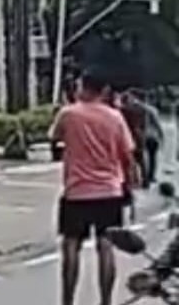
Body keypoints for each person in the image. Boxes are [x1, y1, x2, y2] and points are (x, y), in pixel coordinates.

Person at [50, 69, 140, 305]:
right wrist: (130, 183)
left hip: (76, 190)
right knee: (106, 246)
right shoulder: (115, 117)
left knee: (71, 245)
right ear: (104, 91)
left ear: (82, 87)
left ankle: (67, 300)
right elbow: (127, 156)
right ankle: (106, 301)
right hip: (109, 190)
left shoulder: (68, 114)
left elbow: (55, 137)